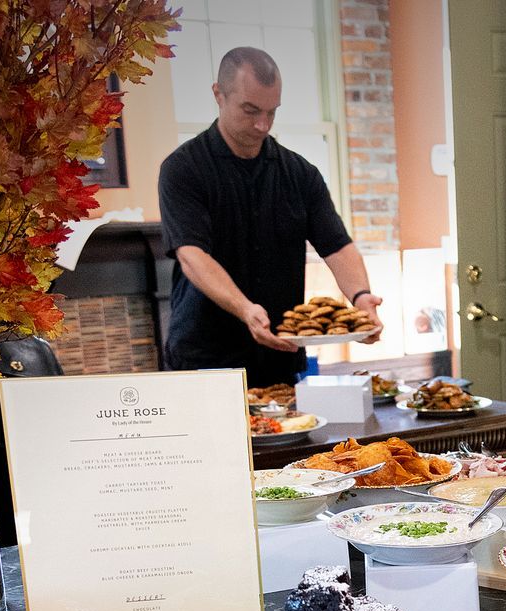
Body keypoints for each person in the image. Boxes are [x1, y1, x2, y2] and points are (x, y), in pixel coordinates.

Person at [159, 47, 382, 386]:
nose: (262, 125)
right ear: (218, 95)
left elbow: (337, 246)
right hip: (205, 359)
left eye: (271, 112)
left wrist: (362, 297)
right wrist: (246, 309)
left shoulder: (301, 174)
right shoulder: (183, 169)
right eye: (250, 110)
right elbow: (192, 256)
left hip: (279, 354)